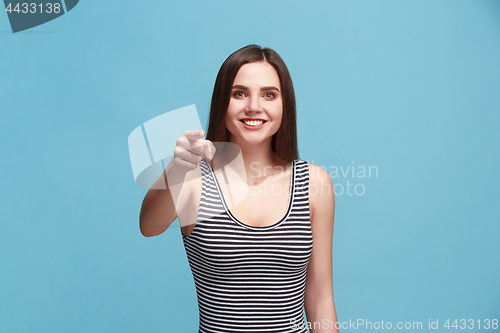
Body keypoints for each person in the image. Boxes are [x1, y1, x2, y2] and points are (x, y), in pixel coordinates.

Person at [139, 44, 338, 333]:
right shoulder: (193, 178)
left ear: (286, 105)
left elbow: (321, 298)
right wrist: (177, 167)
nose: (254, 107)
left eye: (269, 94)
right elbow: (149, 226)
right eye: (239, 93)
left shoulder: (314, 183)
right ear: (223, 101)